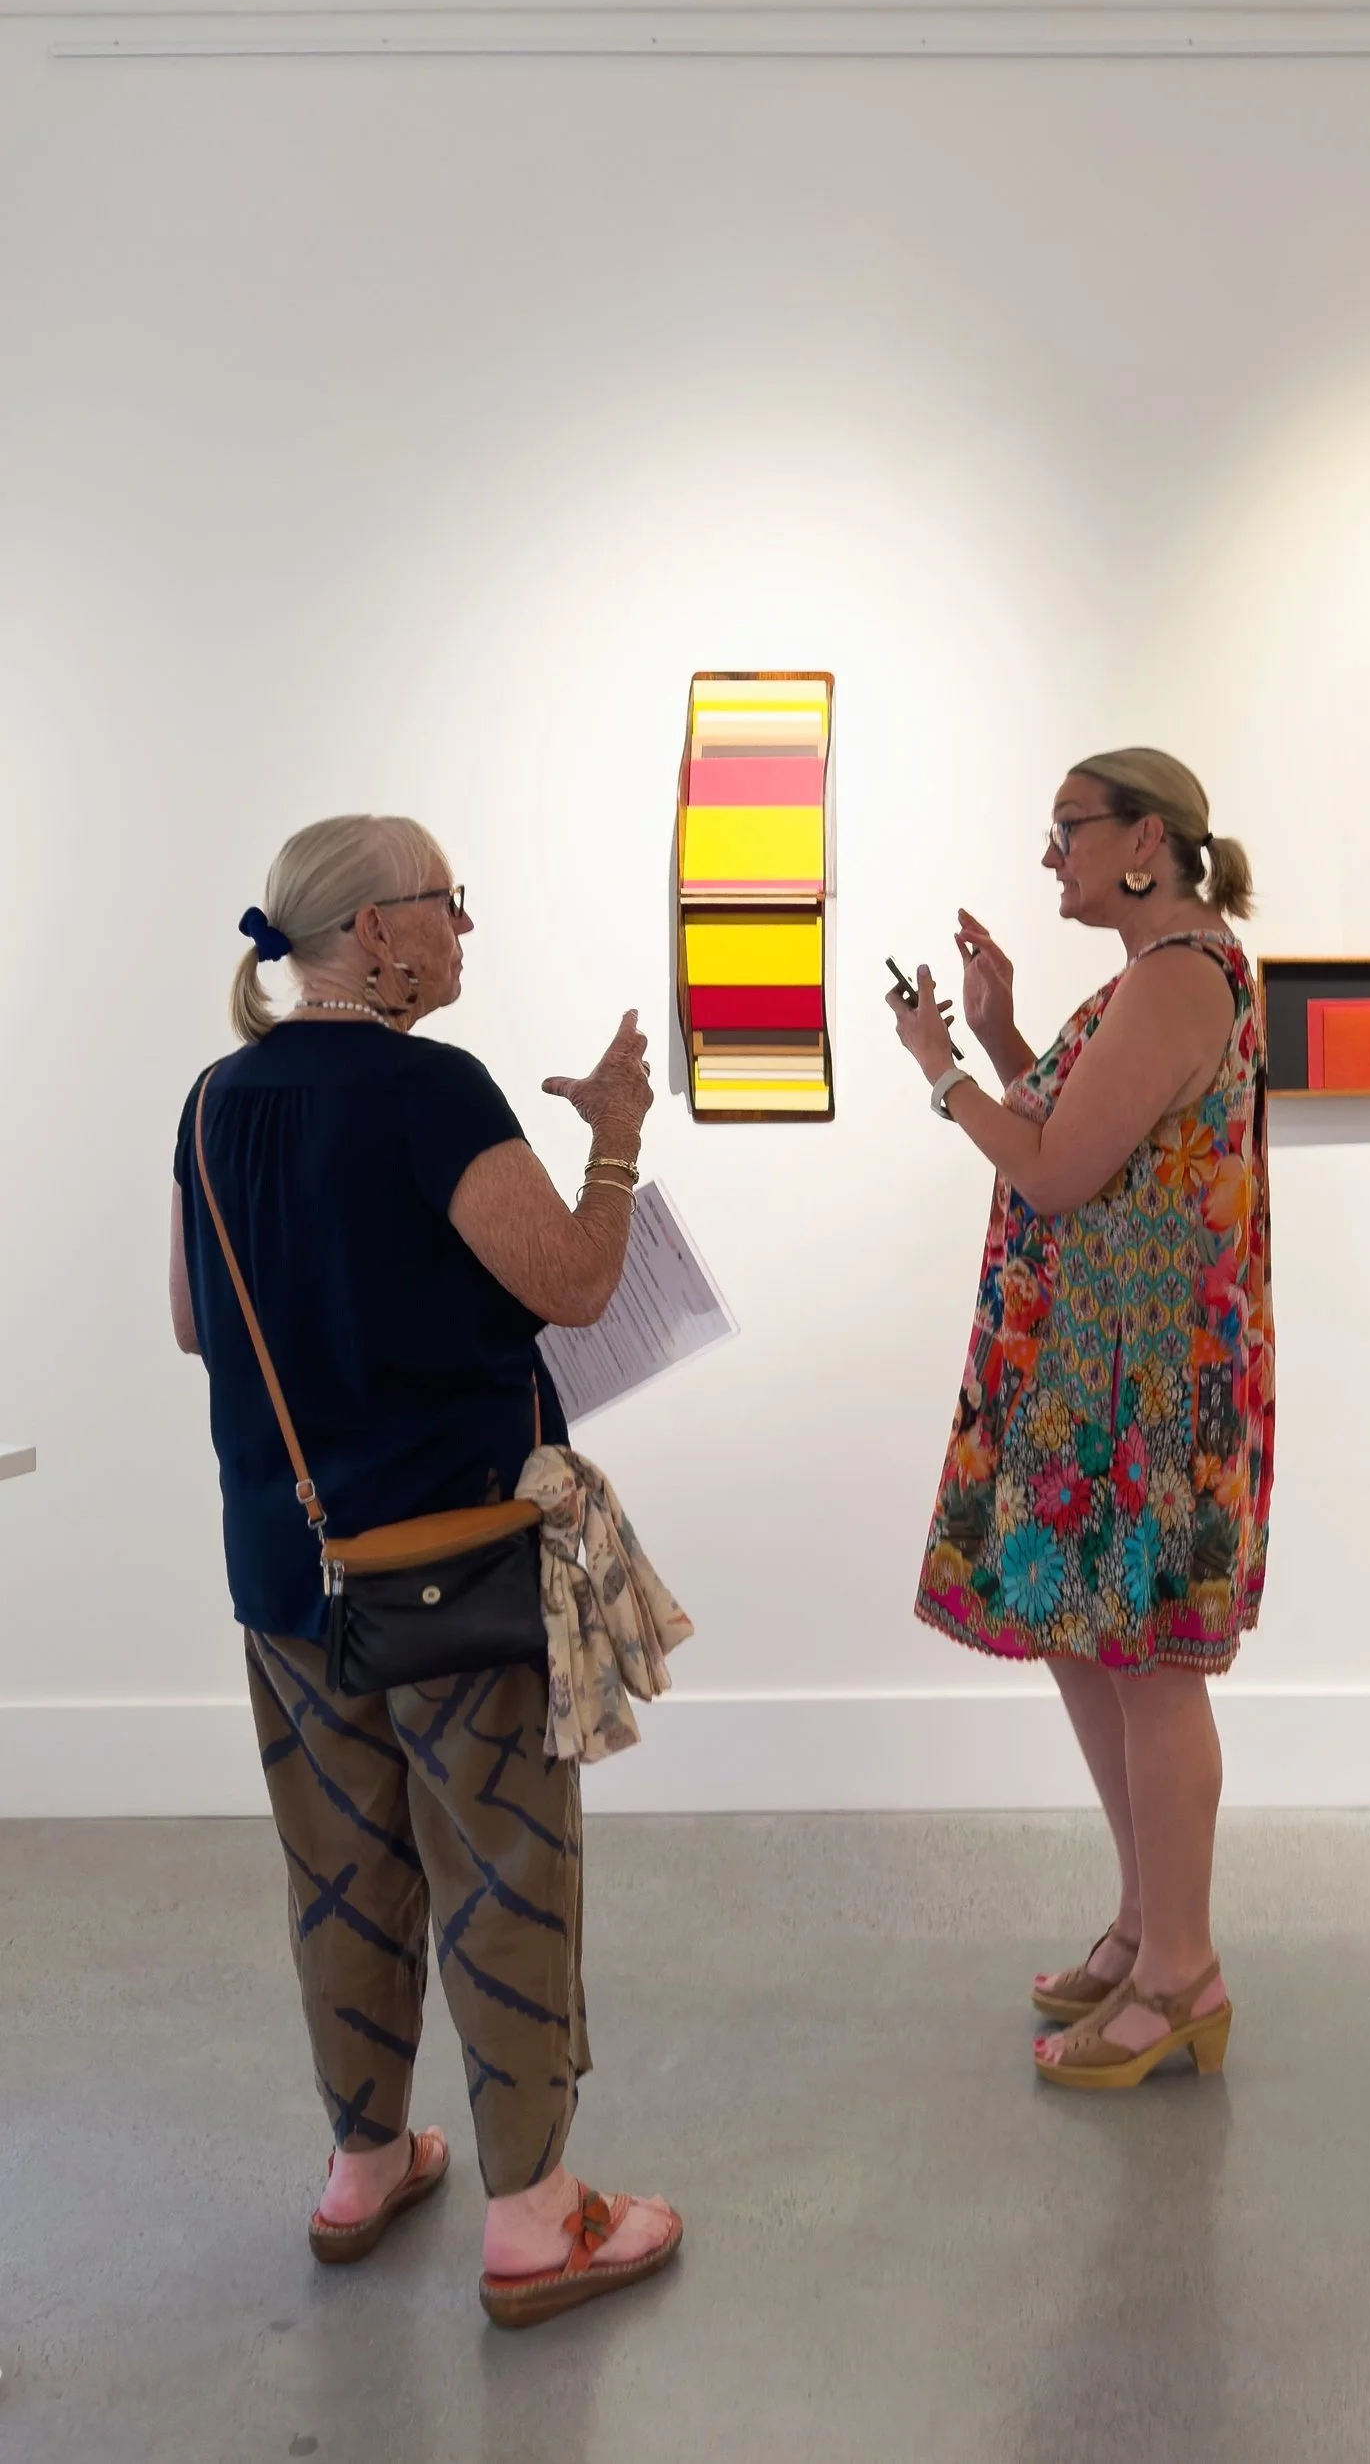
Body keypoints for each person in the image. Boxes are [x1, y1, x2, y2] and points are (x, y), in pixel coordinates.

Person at [170, 814, 683, 2325]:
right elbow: (580, 1285)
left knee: (344, 1871)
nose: (464, 930)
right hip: (454, 1564)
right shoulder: (432, 1092)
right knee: (505, 1870)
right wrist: (616, 1137)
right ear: (379, 934)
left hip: (289, 1569)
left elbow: (202, 1327)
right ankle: (535, 2219)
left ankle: (363, 2164)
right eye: (448, 906)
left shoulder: (212, 1103)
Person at [892, 748, 1275, 2090]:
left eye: (1067, 831)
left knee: (1150, 1665)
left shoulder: (1180, 974)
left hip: (1143, 1382)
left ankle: (1184, 1973)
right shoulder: (1154, 970)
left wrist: (943, 1073)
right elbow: (1079, 1126)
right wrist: (1000, 1036)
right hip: (1095, 1368)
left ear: (1145, 842)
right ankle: (1144, 1922)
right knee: (1092, 1645)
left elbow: (1052, 1172)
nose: (1049, 855)